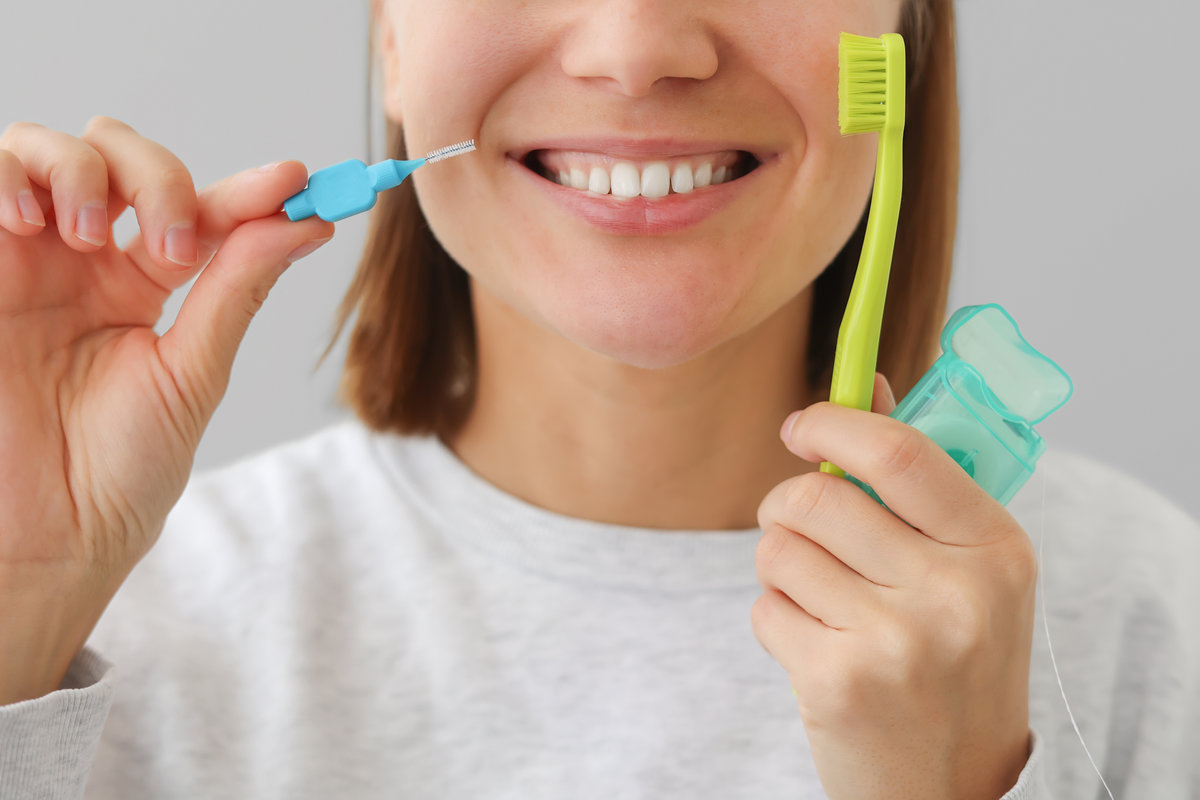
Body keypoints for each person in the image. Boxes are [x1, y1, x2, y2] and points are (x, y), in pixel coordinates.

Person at [1, 0, 1196, 797]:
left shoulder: (1148, 621)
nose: (637, 48)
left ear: (902, 30)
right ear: (391, 42)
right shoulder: (119, 629)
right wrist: (18, 620)